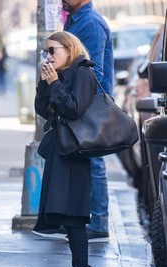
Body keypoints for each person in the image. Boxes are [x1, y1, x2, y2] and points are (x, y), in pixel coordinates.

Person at [33, 0, 114, 241]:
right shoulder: (75, 19)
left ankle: (98, 223)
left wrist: (60, 86)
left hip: (89, 105)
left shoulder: (90, 23)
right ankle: (67, 219)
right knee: (75, 156)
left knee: (93, 158)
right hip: (70, 101)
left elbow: (92, 70)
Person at [35, 31, 96, 267]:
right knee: (65, 212)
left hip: (75, 152)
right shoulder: (60, 76)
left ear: (69, 49)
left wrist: (55, 84)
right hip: (62, 150)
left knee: (75, 215)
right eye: (45, 52)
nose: (48, 56)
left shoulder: (83, 73)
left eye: (52, 50)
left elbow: (73, 108)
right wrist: (44, 84)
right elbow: (42, 109)